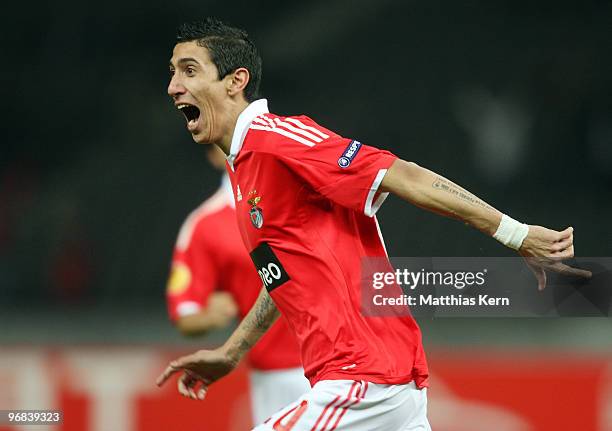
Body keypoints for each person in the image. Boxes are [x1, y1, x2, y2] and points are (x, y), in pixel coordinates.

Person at [157, 18, 590, 430]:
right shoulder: (245, 171)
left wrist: (516, 235)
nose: (174, 86)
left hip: (362, 380)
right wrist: (232, 352)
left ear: (236, 81)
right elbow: (283, 276)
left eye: (189, 70)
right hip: (377, 384)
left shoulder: (281, 141)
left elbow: (405, 175)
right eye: (173, 72)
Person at [165, 144, 309, 425]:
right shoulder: (205, 225)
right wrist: (208, 317)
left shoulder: (301, 192)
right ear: (212, 153)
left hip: (346, 360)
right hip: (278, 376)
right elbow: (184, 314)